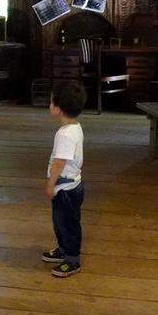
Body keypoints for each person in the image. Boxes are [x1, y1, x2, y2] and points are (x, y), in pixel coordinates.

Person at [41, 82, 87, 277]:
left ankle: (72, 260)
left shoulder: (65, 134)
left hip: (66, 189)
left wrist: (50, 184)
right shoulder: (75, 127)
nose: (49, 104)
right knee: (60, 222)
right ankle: (63, 250)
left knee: (68, 224)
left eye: (51, 101)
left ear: (57, 109)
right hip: (69, 187)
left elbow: (59, 162)